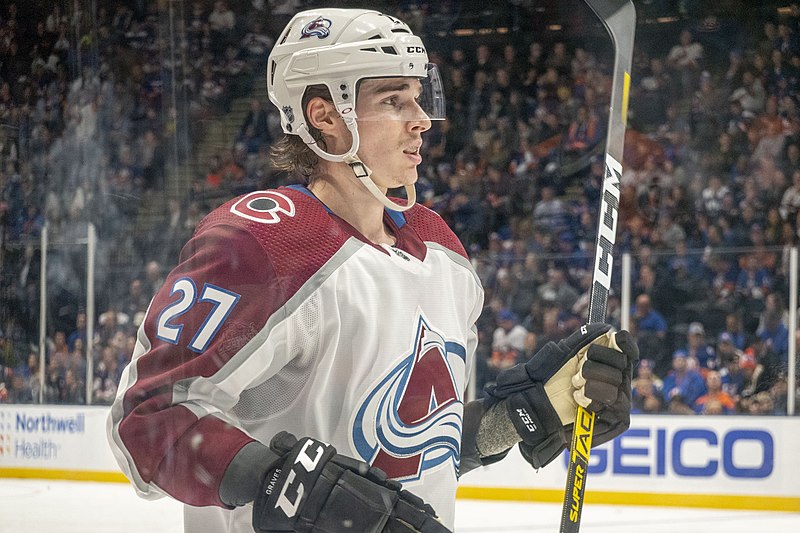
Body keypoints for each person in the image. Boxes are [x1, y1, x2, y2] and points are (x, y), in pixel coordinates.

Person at [107, 9, 638, 533]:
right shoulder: (262, 244)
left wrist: (530, 412)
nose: (421, 120)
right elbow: (147, 420)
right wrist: (287, 486)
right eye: (392, 99)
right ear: (325, 116)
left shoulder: (441, 252)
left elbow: (422, 448)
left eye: (418, 97)